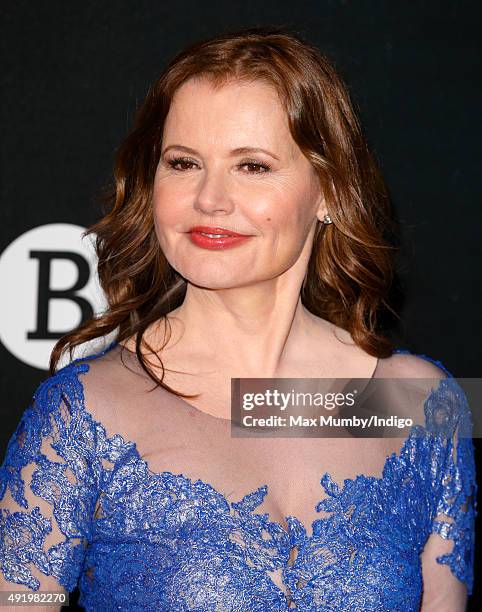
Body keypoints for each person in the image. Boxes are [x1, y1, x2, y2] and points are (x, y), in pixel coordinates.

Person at [0, 26, 477, 611]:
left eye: (251, 166)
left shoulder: (419, 404)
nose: (209, 198)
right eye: (183, 163)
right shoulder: (88, 414)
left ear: (328, 190)